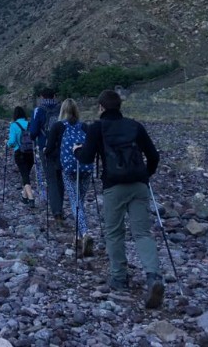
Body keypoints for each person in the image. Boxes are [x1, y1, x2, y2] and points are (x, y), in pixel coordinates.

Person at [73, 89, 164, 309]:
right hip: (139, 185)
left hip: (114, 186)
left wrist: (77, 150)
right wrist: (145, 176)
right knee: (142, 232)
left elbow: (86, 157)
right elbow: (153, 156)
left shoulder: (97, 128)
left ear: (101, 107)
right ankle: (153, 276)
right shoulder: (135, 126)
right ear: (120, 106)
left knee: (114, 232)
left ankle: (119, 278)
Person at [47, 98, 93, 256]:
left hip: (68, 169)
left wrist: (57, 157)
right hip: (86, 168)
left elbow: (48, 150)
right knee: (80, 201)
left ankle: (85, 233)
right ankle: (79, 236)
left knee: (75, 202)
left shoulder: (58, 126)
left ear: (62, 110)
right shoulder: (85, 126)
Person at [30, 88, 64, 222]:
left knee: (51, 179)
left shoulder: (38, 110)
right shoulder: (61, 108)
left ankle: (56, 212)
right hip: (61, 148)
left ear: (41, 97)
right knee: (60, 178)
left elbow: (33, 132)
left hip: (45, 148)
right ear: (55, 95)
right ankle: (60, 207)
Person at [7, 106, 35, 207]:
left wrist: (7, 144)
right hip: (31, 153)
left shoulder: (14, 125)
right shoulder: (30, 124)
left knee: (25, 175)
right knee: (26, 174)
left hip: (20, 153)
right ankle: (24, 197)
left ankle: (31, 198)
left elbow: (12, 142)